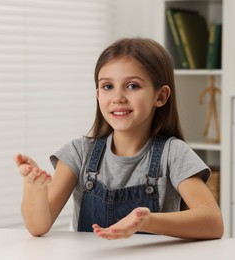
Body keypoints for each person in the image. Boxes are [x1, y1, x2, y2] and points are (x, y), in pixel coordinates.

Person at [14, 38, 224, 240]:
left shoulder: (173, 153)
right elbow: (38, 226)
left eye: (132, 86)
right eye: (108, 86)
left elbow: (213, 222)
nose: (118, 97)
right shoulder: (79, 152)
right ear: (98, 95)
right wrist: (34, 190)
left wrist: (144, 221)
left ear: (160, 96)